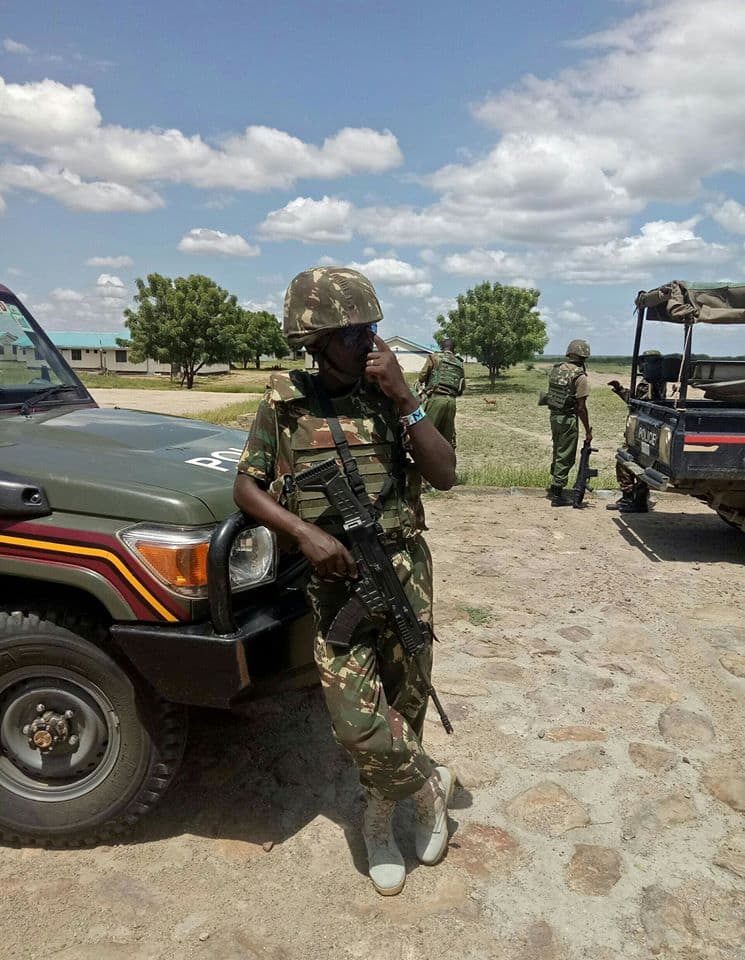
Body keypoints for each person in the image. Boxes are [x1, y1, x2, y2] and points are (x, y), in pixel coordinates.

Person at [233, 267, 457, 897]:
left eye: (373, 328)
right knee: (357, 721)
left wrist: (406, 400)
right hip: (335, 588)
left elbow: (444, 475)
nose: (371, 342)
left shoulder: (400, 393)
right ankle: (420, 787)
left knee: (407, 703)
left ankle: (384, 812)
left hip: (405, 572)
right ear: (318, 339)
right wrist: (304, 534)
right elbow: (246, 486)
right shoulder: (286, 401)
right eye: (357, 332)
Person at [607, 350, 665, 513]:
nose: (641, 365)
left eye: (644, 362)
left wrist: (621, 391)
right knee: (641, 463)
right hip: (648, 428)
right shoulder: (658, 381)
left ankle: (630, 499)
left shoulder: (648, 384)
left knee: (626, 461)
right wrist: (620, 389)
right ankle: (637, 499)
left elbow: (636, 404)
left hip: (642, 428)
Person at [545, 339, 592, 506]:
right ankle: (557, 492)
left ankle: (554, 485)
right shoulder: (579, 376)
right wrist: (588, 430)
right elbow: (581, 407)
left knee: (558, 450)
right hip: (568, 419)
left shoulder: (556, 370)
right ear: (584, 357)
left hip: (554, 417)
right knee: (566, 455)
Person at [416, 337, 465, 447]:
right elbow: (461, 387)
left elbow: (422, 376)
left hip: (436, 399)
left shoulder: (434, 357)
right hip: (452, 402)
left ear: (442, 348)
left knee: (427, 435)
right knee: (446, 439)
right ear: (454, 349)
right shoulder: (459, 362)